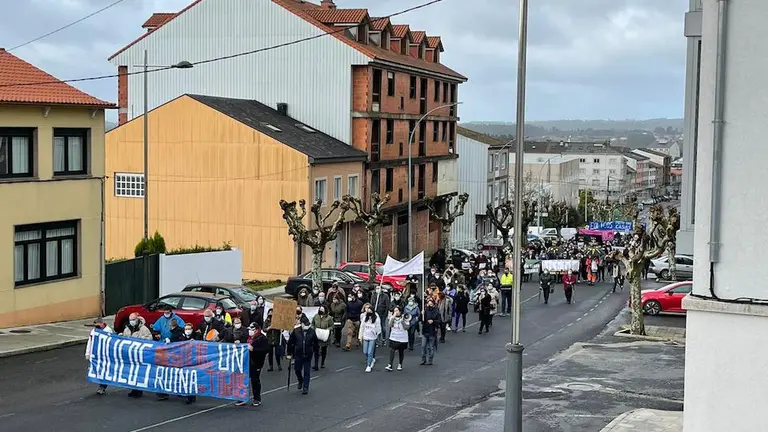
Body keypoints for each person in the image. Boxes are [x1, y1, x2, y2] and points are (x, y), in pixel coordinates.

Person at [236, 323, 269, 407]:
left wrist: (254, 349)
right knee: (242, 379)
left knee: (255, 381)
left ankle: (257, 398)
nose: (250, 331)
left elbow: (265, 350)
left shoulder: (262, 338)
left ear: (256, 329)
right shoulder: (247, 337)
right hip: (246, 361)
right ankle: (242, 397)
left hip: (256, 362)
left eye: (251, 330)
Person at [287, 315, 319, 395]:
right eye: (306, 325)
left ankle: (305, 387)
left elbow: (315, 343)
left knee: (307, 372)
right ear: (301, 324)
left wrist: (316, 352)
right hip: (298, 354)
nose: (307, 327)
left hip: (308, 355)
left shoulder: (312, 331)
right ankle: (300, 380)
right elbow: (291, 342)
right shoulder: (296, 331)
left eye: (308, 325)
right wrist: (289, 353)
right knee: (297, 370)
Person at [85, 317, 113, 395]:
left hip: (105, 354)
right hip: (96, 354)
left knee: (104, 370)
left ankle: (102, 386)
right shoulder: (93, 331)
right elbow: (90, 342)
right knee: (98, 370)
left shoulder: (108, 331)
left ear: (101, 323)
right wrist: (88, 353)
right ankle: (101, 384)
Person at [385, 306, 410, 371]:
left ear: (400, 311)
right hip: (394, 337)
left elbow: (406, 327)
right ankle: (390, 364)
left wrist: (402, 321)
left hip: (402, 337)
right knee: (392, 350)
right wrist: (393, 317)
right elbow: (390, 325)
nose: (396, 312)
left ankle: (400, 364)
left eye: (397, 310)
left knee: (401, 351)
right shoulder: (392, 317)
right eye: (395, 311)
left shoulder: (405, 317)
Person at [358, 304, 381, 372]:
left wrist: (376, 333)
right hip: (365, 336)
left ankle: (369, 365)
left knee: (370, 351)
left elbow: (378, 327)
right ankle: (370, 359)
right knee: (365, 351)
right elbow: (362, 327)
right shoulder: (365, 318)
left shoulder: (376, 318)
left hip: (372, 337)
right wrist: (360, 336)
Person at [420, 298, 441, 365]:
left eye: (431, 303)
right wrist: (421, 314)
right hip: (425, 330)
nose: (430, 304)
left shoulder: (436, 311)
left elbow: (439, 321)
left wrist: (433, 321)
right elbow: (421, 320)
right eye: (428, 303)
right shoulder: (425, 311)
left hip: (432, 331)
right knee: (423, 346)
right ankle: (423, 359)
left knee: (431, 347)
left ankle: (430, 360)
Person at [311, 306, 333, 370]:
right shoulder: (316, 316)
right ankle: (316, 364)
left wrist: (327, 330)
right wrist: (314, 328)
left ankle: (322, 363)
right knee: (316, 350)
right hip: (317, 335)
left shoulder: (329, 318)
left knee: (324, 350)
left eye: (322, 309)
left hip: (324, 335)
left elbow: (332, 326)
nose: (321, 310)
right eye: (320, 309)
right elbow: (312, 323)